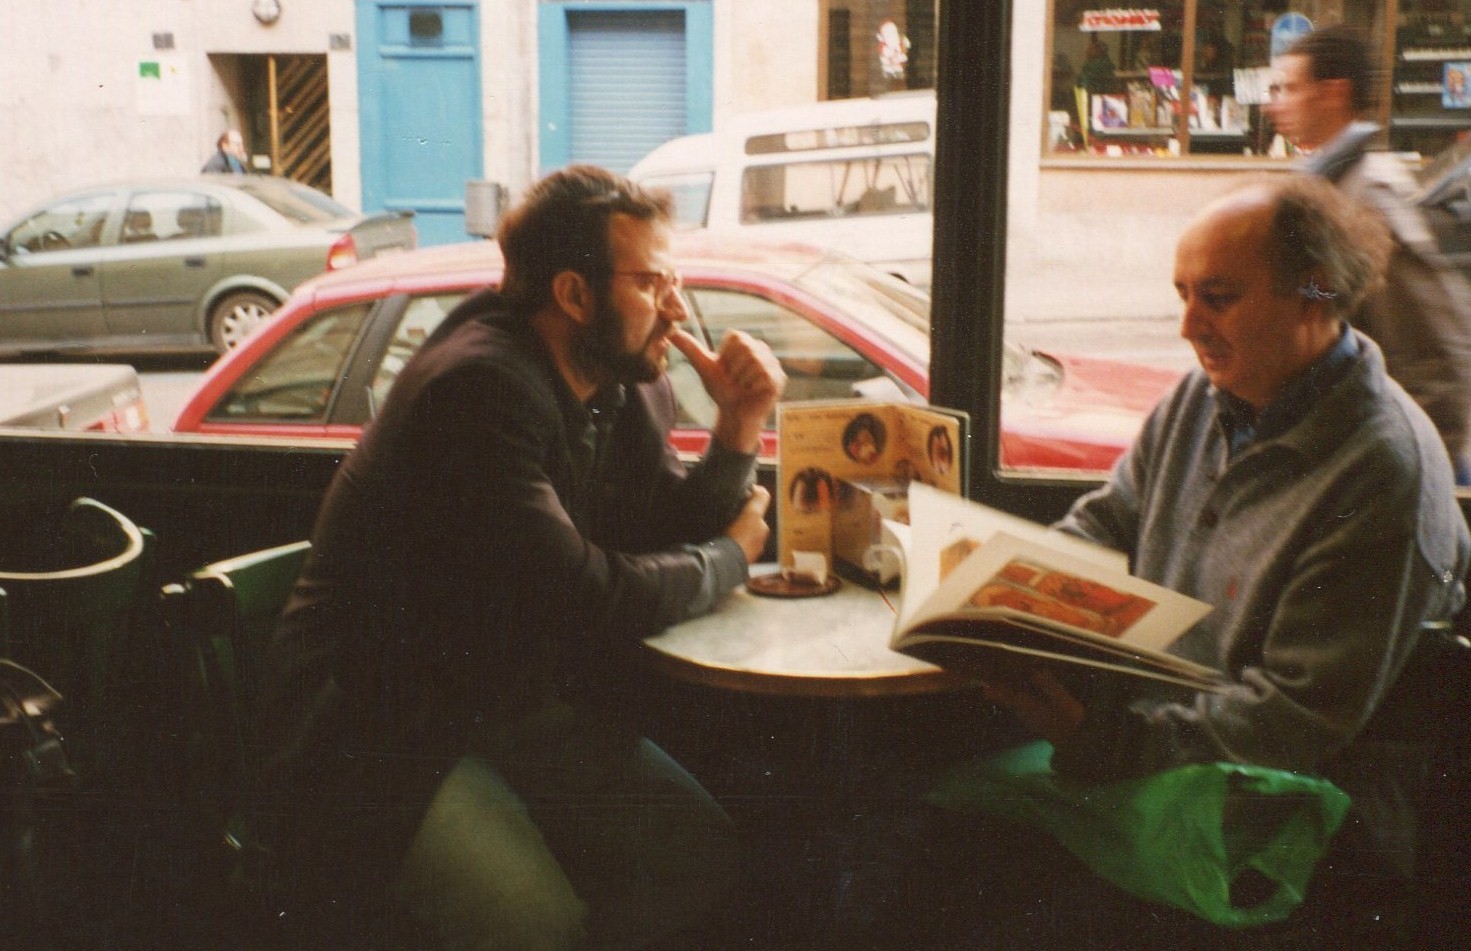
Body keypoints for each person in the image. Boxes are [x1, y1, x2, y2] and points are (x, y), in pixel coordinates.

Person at [845, 175, 1468, 950]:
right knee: (910, 807)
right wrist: (1003, 597)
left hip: (1283, 818)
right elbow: (1106, 522)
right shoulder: (1202, 399)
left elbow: (1289, 723)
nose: (1185, 325)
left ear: (1316, 296)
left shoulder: (1383, 471)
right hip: (1158, 745)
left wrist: (1101, 743)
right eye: (1180, 294)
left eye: (1217, 296)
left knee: (953, 859)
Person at [251, 165, 786, 949]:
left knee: (695, 855)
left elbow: (654, 529)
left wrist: (739, 426)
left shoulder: (621, 379)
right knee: (535, 924)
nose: (676, 307)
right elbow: (587, 593)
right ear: (574, 295)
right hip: (377, 731)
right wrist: (731, 559)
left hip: (498, 702)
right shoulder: (478, 389)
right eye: (651, 282)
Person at [1266, 25, 1471, 483]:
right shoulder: (1324, 180)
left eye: (1291, 88)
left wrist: (1420, 468)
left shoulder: (1370, 194)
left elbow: (1432, 348)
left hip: (1395, 465)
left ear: (1333, 94)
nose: (1274, 103)